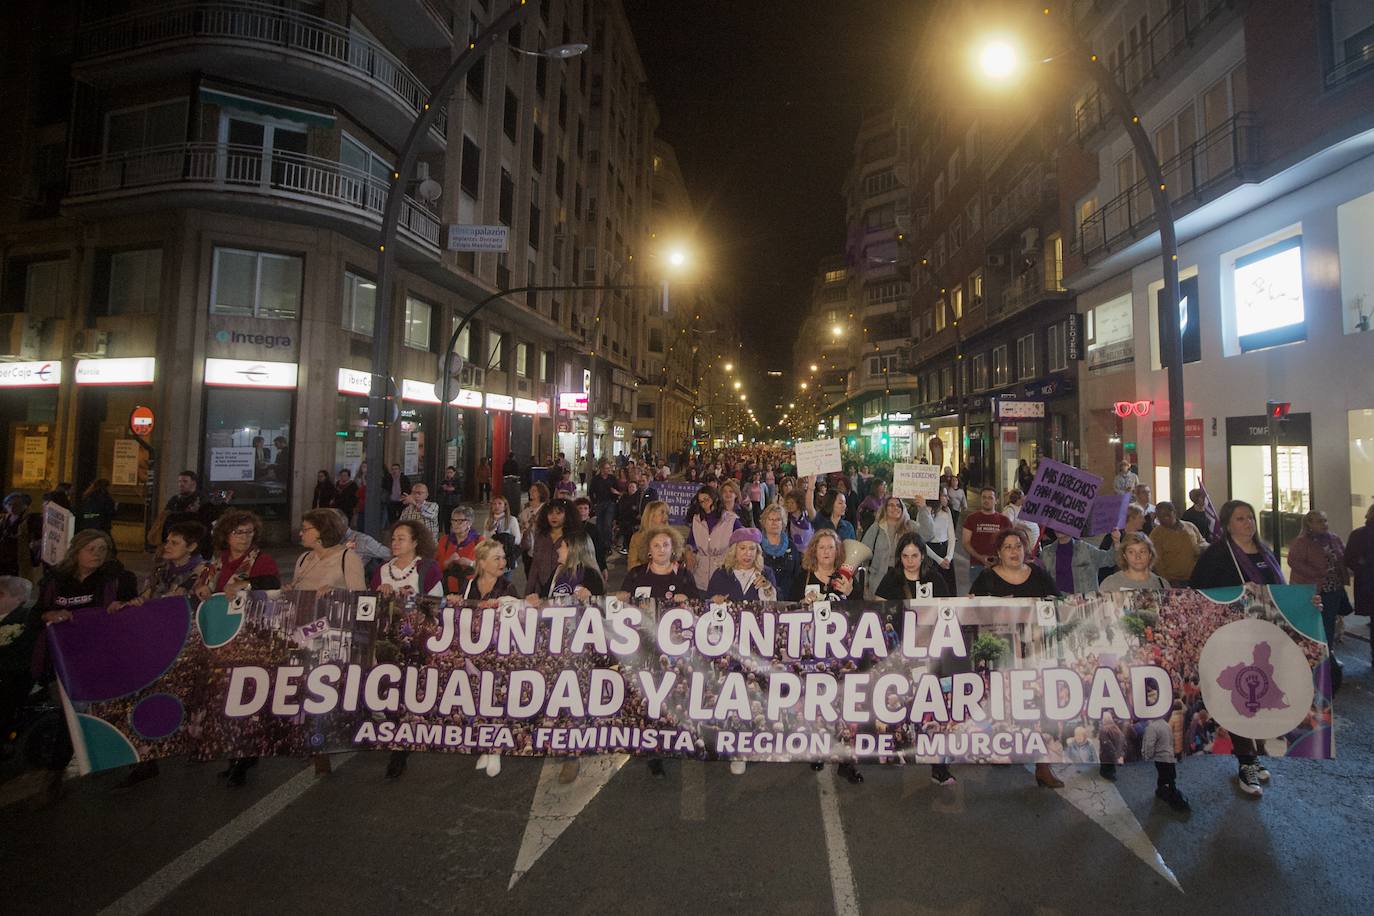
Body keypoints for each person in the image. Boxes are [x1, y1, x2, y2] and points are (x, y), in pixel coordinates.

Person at [30, 530, 139, 800]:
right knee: (69, 717)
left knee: (114, 710)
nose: (97, 554)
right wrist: (50, 614)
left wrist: (122, 608)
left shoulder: (117, 579)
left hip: (102, 658)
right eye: (91, 548)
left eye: (103, 549)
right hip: (65, 661)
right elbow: (35, 616)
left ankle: (137, 761)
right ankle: (53, 778)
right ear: (76, 551)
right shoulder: (56, 580)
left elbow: (130, 614)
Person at [1190, 499, 1288, 798]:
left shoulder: (1266, 553)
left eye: (1250, 518)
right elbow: (1198, 593)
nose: (1248, 524)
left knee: (1257, 699)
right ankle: (1246, 760)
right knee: (1240, 698)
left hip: (1264, 639)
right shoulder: (1217, 556)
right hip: (1232, 639)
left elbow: (1281, 593)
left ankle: (1253, 755)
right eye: (1241, 519)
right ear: (1227, 524)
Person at [968, 527, 1062, 789]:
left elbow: (1057, 603)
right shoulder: (987, 578)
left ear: (1026, 550)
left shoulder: (1039, 575)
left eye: (1018, 546)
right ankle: (1004, 747)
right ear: (998, 552)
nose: (1014, 551)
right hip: (1002, 658)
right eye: (1008, 546)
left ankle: (1044, 768)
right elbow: (974, 614)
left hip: (1036, 653)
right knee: (1005, 707)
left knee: (1041, 707)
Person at [1289, 510, 1351, 666]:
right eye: (1319, 521)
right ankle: (1310, 656)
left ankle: (1328, 656)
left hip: (1333, 588)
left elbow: (1343, 557)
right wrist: (1317, 573)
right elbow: (1294, 562)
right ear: (1309, 524)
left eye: (1325, 520)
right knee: (1312, 623)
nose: (1324, 524)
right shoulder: (1302, 542)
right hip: (1311, 589)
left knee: (1329, 623)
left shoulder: (1334, 539)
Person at [193, 511, 282, 601]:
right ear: (226, 535)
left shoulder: (263, 560)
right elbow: (201, 587)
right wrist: (201, 589)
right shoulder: (217, 563)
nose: (245, 537)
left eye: (249, 532)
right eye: (238, 532)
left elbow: (274, 583)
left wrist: (246, 584)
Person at [0, 576, 37, 762]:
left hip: (13, 673)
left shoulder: (25, 619)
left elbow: (22, 653)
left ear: (19, 598)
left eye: (1, 594)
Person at [1141, 685, 1192, 812]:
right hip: (1165, 751)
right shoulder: (1161, 721)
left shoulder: (1153, 724)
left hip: (1163, 752)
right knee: (1168, 773)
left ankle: (1164, 790)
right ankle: (1168, 791)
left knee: (1166, 773)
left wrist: (1148, 755)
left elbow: (1149, 745)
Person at [290, 509, 366, 592]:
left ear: (322, 530)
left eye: (305, 529)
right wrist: (290, 591)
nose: (300, 533)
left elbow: (359, 596)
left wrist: (335, 592)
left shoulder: (348, 558)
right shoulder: (304, 558)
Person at [686, 485, 741, 593]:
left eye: (707, 499)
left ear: (715, 498)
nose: (704, 504)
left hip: (723, 573)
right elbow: (691, 542)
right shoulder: (696, 520)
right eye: (701, 501)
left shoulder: (731, 519)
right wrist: (688, 551)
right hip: (700, 575)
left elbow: (742, 541)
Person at [621, 526, 697, 603]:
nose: (661, 549)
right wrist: (621, 597)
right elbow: (623, 603)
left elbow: (697, 605)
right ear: (649, 550)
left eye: (666, 545)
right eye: (656, 546)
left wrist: (687, 601)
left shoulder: (685, 575)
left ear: (673, 549)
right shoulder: (635, 573)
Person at [861, 496, 916, 599]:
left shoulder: (910, 527)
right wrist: (864, 584)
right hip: (878, 581)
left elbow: (929, 534)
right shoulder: (876, 528)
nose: (895, 508)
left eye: (898, 505)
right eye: (891, 505)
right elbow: (863, 556)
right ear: (885, 508)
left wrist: (923, 508)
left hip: (904, 582)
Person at [373, 519, 442, 598]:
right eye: (393, 539)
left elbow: (437, 603)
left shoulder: (428, 569)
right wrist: (379, 594)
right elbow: (369, 603)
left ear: (415, 543)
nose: (395, 543)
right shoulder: (382, 569)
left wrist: (414, 597)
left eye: (401, 539)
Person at [706, 528, 779, 602]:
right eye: (742, 548)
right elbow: (707, 603)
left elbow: (773, 606)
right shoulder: (721, 573)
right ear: (734, 550)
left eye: (752, 548)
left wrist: (767, 588)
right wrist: (713, 601)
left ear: (757, 551)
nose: (748, 553)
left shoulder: (766, 573)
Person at [528, 497, 581, 597]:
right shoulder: (540, 536)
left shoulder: (573, 538)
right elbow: (535, 565)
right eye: (550, 513)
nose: (554, 517)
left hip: (566, 590)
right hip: (541, 590)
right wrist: (529, 590)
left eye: (558, 513)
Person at [534, 528, 605, 603]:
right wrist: (536, 598)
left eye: (562, 546)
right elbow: (544, 597)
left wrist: (590, 597)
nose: (558, 550)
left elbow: (600, 605)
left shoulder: (592, 575)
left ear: (573, 551)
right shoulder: (558, 571)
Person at [1040, 530, 1119, 595]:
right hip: (1057, 602)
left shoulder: (1086, 549)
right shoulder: (1046, 552)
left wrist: (1116, 542)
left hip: (1085, 604)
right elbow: (1042, 581)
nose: (1059, 528)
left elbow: (1110, 560)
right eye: (1055, 525)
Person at [1344, 503, 1374, 668]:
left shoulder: (1358, 534)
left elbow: (1349, 559)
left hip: (1367, 584)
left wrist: (1362, 567)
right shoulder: (1359, 535)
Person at [1149, 502, 1206, 586]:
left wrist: (1201, 547)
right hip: (1174, 581)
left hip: (1196, 577)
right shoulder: (1156, 535)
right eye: (1160, 517)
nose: (1164, 519)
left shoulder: (1190, 526)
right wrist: (1167, 581)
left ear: (1174, 512)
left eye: (1167, 515)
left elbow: (1202, 542)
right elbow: (1157, 563)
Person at [960, 487, 1010, 580]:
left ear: (996, 501)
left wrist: (999, 559)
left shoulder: (1004, 521)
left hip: (1000, 566)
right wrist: (980, 558)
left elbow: (1009, 543)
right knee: (978, 594)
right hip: (977, 566)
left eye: (990, 498)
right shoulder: (971, 518)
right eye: (984, 497)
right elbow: (966, 542)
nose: (986, 500)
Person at [1099, 532, 1170, 591]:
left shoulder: (1162, 584)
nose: (1137, 557)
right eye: (1131, 552)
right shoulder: (1110, 584)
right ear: (1124, 556)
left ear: (1150, 554)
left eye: (1142, 551)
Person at [758, 503, 801, 600]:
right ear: (764, 522)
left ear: (783, 523)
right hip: (764, 599)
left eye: (778, 519)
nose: (774, 523)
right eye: (770, 519)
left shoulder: (792, 546)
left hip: (789, 599)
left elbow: (797, 575)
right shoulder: (757, 547)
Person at [436, 506, 481, 594]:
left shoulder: (479, 541)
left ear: (469, 523)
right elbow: (436, 567)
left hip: (471, 590)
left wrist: (470, 563)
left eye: (460, 521)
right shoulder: (444, 540)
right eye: (453, 520)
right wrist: (448, 561)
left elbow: (487, 567)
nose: (456, 524)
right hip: (446, 589)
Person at [924, 492, 957, 594]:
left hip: (945, 551)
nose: (947, 498)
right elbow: (921, 540)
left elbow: (951, 536)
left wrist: (948, 557)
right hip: (930, 552)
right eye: (944, 495)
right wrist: (939, 560)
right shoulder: (925, 511)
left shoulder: (946, 511)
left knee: (948, 588)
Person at [159, 471, 203, 540]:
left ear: (193, 483)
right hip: (172, 535)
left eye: (185, 481)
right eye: (179, 481)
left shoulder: (201, 499)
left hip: (191, 537)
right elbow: (166, 515)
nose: (181, 484)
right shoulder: (175, 499)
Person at [483, 495, 521, 575]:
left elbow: (517, 539)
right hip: (492, 557)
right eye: (494, 504)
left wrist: (504, 540)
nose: (497, 506)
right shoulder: (488, 521)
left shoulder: (511, 520)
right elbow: (485, 538)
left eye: (500, 503)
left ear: (505, 506)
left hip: (506, 558)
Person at [0, 492, 35, 579]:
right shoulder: (4, 519)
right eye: (9, 504)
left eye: (16, 504)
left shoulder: (29, 519)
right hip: (3, 557)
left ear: (23, 505)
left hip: (18, 558)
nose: (12, 507)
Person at [626, 500, 670, 570]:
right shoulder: (637, 538)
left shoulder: (671, 537)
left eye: (666, 513)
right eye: (662, 513)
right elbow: (632, 566)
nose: (666, 517)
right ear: (651, 516)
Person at [588, 459, 622, 550]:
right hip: (599, 503)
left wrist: (614, 498)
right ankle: (600, 543)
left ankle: (608, 544)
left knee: (607, 523)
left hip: (610, 503)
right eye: (605, 468)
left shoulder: (612, 478)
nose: (607, 470)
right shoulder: (596, 479)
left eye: (608, 468)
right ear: (601, 469)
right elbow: (591, 491)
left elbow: (617, 490)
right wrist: (594, 502)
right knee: (599, 524)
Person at [519, 482, 549, 579]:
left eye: (534, 490)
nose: (531, 492)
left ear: (541, 492)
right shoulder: (526, 507)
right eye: (530, 490)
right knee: (529, 575)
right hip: (527, 546)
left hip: (542, 548)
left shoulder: (546, 509)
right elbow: (521, 523)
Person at [573, 497, 610, 572]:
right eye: (580, 508)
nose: (582, 511)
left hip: (590, 564)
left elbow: (599, 548)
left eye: (585, 508)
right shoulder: (570, 528)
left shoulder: (593, 528)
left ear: (589, 511)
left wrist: (603, 567)